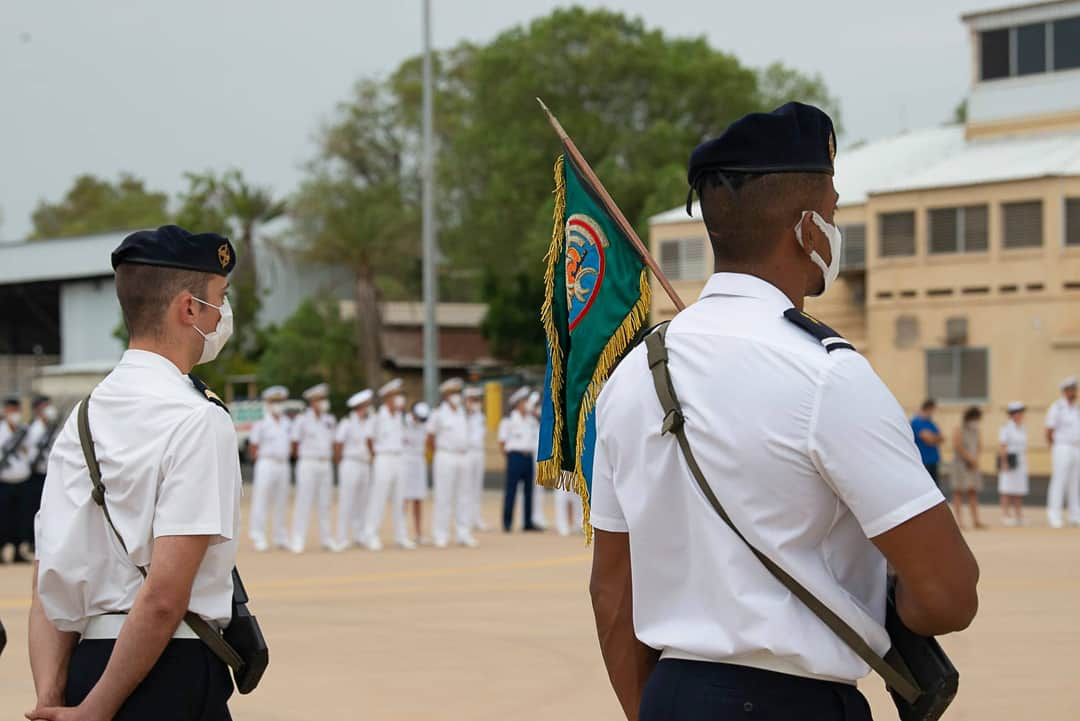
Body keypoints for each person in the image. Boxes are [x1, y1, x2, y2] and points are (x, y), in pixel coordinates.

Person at [588, 104, 979, 721]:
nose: (833, 229)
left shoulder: (634, 374)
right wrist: (885, 601)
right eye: (833, 212)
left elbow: (612, 591)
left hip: (672, 697)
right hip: (792, 702)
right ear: (807, 230)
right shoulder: (828, 373)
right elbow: (949, 595)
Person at [29, 224, 241, 720]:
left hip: (87, 665)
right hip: (167, 666)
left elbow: (50, 577)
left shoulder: (83, 416)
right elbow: (166, 596)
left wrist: (52, 698)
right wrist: (98, 710)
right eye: (220, 298)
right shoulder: (197, 418)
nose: (225, 314)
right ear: (190, 309)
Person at [361, 378, 414, 551]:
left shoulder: (401, 416)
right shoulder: (377, 416)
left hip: (399, 457)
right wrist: (375, 455)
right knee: (379, 497)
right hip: (383, 457)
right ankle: (371, 534)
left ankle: (401, 535)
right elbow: (369, 437)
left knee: (400, 498)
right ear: (388, 398)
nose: (399, 399)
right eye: (396, 396)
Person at [427, 378, 477, 548]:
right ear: (446, 396)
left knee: (464, 496)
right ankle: (440, 534)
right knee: (443, 497)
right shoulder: (438, 414)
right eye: (453, 393)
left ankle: (463, 533)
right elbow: (430, 438)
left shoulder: (462, 412)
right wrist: (437, 455)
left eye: (458, 393)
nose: (457, 396)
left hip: (463, 456)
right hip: (445, 456)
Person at [289, 383, 335, 553]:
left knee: (325, 502)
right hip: (308, 462)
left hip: (325, 463)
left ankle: (327, 538)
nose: (323, 402)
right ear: (312, 402)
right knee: (304, 501)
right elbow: (294, 442)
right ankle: (298, 539)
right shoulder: (302, 420)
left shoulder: (329, 420)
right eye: (320, 399)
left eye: (324, 399)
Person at [247, 385, 292, 552]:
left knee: (282, 501)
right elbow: (253, 445)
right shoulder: (261, 421)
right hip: (266, 462)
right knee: (261, 500)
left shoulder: (287, 422)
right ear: (268, 403)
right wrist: (257, 462)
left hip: (283, 464)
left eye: (280, 401)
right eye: (275, 402)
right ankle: (258, 535)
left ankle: (280, 536)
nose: (278, 405)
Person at [334, 389, 374, 552]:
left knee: (362, 502)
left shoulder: (368, 423)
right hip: (350, 463)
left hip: (364, 464)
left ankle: (360, 535)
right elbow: (338, 444)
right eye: (366, 406)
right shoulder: (346, 423)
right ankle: (342, 537)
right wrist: (340, 464)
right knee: (347, 501)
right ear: (359, 407)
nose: (368, 409)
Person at [24, 396, 61, 560]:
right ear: (38, 409)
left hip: (51, 474)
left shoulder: (54, 428)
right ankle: (33, 543)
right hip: (35, 474)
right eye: (45, 406)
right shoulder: (32, 429)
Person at [498, 387, 539, 532]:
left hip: (528, 457)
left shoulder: (531, 420)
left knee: (529, 491)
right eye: (524, 401)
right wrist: (509, 459)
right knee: (511, 491)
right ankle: (507, 522)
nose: (526, 404)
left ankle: (527, 522)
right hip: (515, 456)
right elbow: (502, 442)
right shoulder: (509, 420)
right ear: (517, 403)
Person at [0, 397, 32, 564]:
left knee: (21, 519)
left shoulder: (24, 431)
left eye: (17, 410)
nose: (15, 414)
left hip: (22, 480)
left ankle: (18, 550)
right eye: (12, 410)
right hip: (4, 483)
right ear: (5, 412)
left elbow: (30, 452)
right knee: (3, 519)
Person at [1045, 376, 1080, 528]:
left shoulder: (1075, 409)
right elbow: (1049, 430)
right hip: (1062, 447)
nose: (1074, 392)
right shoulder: (1057, 407)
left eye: (1075, 389)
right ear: (1065, 391)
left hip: (1076, 447)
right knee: (1059, 481)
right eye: (1071, 390)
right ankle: (1054, 515)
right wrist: (1054, 446)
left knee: (1075, 482)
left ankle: (1075, 514)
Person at [951, 406, 985, 530]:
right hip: (960, 465)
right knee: (958, 492)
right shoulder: (959, 429)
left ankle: (976, 520)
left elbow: (980, 445)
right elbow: (957, 446)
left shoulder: (976, 431)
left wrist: (975, 458)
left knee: (973, 492)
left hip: (973, 465)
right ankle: (959, 521)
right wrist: (969, 458)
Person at [402, 401, 431, 544]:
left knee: (418, 498)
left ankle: (419, 533)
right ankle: (402, 532)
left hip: (419, 460)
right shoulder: (403, 422)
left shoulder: (424, 424)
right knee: (404, 498)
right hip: (406, 460)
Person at [998, 401, 1029, 527]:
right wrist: (1004, 462)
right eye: (1018, 413)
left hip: (1020, 460)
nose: (1020, 415)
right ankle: (1005, 514)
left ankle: (1018, 514)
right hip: (1010, 460)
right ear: (1012, 414)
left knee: (1018, 488)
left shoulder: (1022, 428)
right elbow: (1003, 446)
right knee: (1007, 488)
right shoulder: (1006, 428)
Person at [464, 387, 489, 532]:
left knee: (477, 487)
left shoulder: (481, 416)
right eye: (473, 399)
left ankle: (476, 517)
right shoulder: (463, 416)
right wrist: (468, 412)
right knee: (467, 487)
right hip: (467, 452)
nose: (475, 402)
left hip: (479, 452)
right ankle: (466, 518)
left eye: (477, 400)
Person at [527, 391, 549, 531]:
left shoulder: (540, 420)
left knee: (540, 489)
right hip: (531, 457)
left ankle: (539, 515)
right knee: (534, 489)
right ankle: (534, 516)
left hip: (540, 456)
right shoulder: (527, 421)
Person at [911, 399, 945, 486]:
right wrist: (934, 438)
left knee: (935, 486)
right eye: (933, 410)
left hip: (933, 459)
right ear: (928, 408)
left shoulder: (931, 422)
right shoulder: (916, 422)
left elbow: (942, 438)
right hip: (923, 460)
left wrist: (932, 437)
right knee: (925, 485)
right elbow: (928, 439)